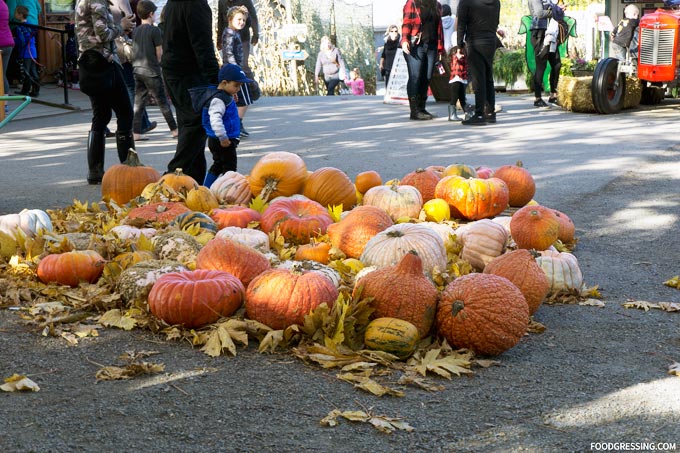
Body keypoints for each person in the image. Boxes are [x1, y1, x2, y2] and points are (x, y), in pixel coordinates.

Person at [75, 0, 136, 184]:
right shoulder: (97, 1)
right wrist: (121, 26)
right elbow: (102, 34)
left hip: (91, 64)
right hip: (103, 62)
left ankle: (95, 171)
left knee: (100, 116)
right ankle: (129, 168)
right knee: (125, 112)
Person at [161, 0, 219, 185]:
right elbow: (203, 44)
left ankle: (193, 185)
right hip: (189, 73)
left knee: (190, 128)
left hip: (175, 70)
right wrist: (216, 81)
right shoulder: (196, 4)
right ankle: (169, 182)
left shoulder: (174, 3)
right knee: (195, 126)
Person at [194, 64, 251, 188]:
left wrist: (230, 97)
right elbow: (215, 119)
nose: (238, 89)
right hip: (223, 140)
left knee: (218, 165)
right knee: (230, 168)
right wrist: (222, 137)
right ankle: (229, 190)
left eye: (240, 86)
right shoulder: (218, 100)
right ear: (224, 83)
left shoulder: (224, 96)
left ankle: (206, 188)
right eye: (236, 85)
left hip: (222, 138)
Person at [131, 0, 177, 141]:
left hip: (138, 69)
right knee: (162, 101)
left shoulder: (136, 30)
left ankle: (136, 133)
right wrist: (160, 64)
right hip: (151, 71)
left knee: (139, 103)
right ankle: (175, 130)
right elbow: (159, 52)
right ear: (151, 14)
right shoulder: (155, 30)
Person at [457, 0, 501, 125]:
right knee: (488, 76)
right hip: (490, 40)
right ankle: (490, 113)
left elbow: (461, 23)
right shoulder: (495, 1)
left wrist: (460, 44)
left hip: (475, 40)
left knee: (478, 78)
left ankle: (479, 114)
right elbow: (496, 22)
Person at [401, 0, 445, 120]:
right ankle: (414, 111)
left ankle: (422, 108)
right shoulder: (413, 2)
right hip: (416, 45)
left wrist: (440, 49)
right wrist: (405, 40)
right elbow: (406, 22)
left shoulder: (437, 5)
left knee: (427, 77)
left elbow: (439, 28)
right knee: (416, 77)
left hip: (431, 46)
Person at [221, 5, 254, 138]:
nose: (242, 22)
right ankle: (237, 125)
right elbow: (228, 53)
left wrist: (247, 14)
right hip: (234, 71)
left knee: (235, 100)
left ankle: (234, 125)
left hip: (233, 70)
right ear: (230, 19)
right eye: (239, 19)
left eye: (243, 20)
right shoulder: (229, 33)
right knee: (245, 100)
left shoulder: (233, 32)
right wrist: (236, 71)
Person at [528, 0, 563, 107]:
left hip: (550, 33)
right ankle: (537, 98)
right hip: (539, 33)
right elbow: (539, 13)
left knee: (557, 64)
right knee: (541, 66)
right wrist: (555, 10)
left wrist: (559, 9)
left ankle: (553, 95)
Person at [216, 0, 258, 75]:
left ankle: (251, 85)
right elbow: (220, 19)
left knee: (243, 66)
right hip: (229, 37)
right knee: (228, 65)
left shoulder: (246, 1)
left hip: (243, 38)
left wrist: (255, 34)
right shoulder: (222, 2)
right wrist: (219, 39)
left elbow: (253, 17)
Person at [12, 5, 39, 97]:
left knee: (26, 71)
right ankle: (35, 90)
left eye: (15, 13)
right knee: (33, 70)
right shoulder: (30, 24)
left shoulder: (21, 27)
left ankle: (25, 91)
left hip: (26, 51)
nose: (14, 14)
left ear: (20, 15)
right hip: (33, 50)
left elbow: (22, 40)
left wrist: (13, 40)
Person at [447, 45, 468, 121]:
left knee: (462, 98)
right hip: (457, 79)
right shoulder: (458, 54)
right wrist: (459, 55)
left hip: (460, 79)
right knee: (454, 98)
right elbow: (459, 60)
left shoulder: (454, 53)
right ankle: (452, 115)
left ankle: (467, 113)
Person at [1, 0, 14, 102]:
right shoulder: (3, 4)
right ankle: (4, 102)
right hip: (7, 41)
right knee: (2, 73)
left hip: (1, 43)